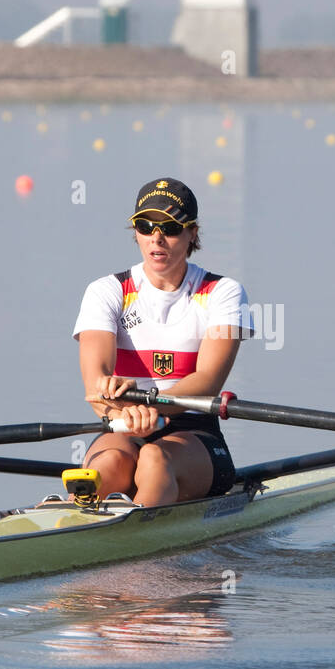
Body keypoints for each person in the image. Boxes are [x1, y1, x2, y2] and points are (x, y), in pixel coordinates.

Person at [73, 178, 253, 506]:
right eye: (145, 226)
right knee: (108, 465)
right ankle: (72, 524)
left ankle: (139, 545)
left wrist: (150, 407)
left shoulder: (223, 292)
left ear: (192, 233)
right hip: (122, 420)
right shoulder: (106, 291)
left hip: (194, 430)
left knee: (155, 459)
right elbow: (95, 380)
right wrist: (122, 411)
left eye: (170, 227)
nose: (156, 238)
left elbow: (208, 380)